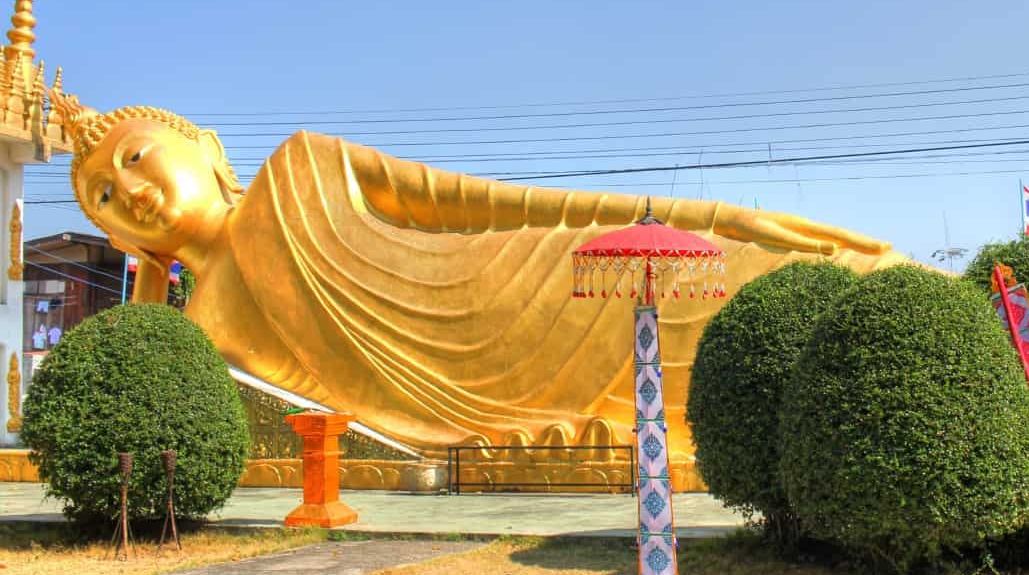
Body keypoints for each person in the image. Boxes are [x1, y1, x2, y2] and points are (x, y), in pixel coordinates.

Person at [60, 100, 902, 455]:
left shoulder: (301, 166)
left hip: (516, 277)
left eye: (137, 158)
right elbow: (175, 402)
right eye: (105, 199)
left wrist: (697, 216)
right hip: (461, 410)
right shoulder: (192, 328)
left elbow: (487, 206)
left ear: (205, 147)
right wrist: (151, 288)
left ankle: (897, 303)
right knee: (717, 386)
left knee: (723, 283)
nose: (131, 191)